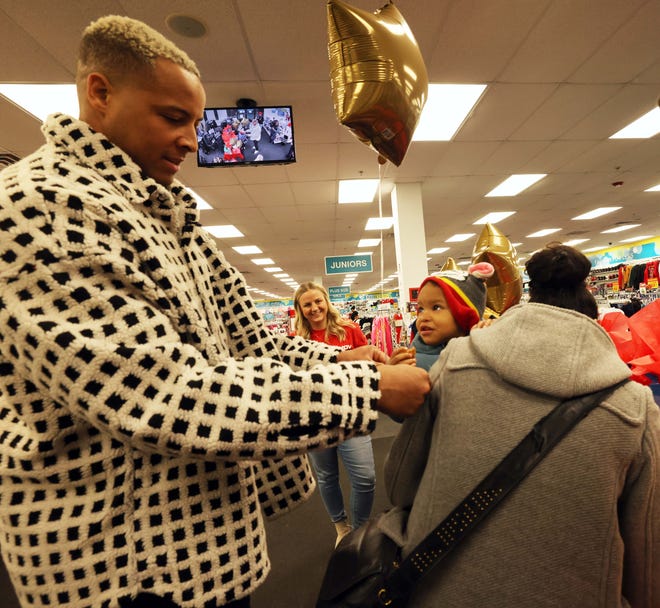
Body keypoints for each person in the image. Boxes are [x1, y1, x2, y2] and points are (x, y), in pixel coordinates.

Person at [0, 15, 431, 608]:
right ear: (99, 93)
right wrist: (366, 388)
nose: (189, 140)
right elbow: (162, 395)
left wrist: (347, 359)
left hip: (201, 549)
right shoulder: (45, 206)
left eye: (195, 123)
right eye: (172, 117)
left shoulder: (169, 216)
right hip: (122, 566)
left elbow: (257, 345)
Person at [382, 243, 660, 607]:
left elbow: (400, 486)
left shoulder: (453, 364)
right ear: (594, 320)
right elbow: (647, 562)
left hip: (437, 589)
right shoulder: (635, 410)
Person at [293, 282, 377, 546]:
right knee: (327, 476)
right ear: (300, 309)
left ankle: (360, 529)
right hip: (317, 419)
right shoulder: (297, 342)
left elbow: (368, 363)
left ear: (326, 301)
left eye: (318, 301)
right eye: (307, 304)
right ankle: (341, 527)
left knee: (365, 478)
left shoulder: (349, 330)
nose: (314, 308)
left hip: (352, 413)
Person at [388, 262, 495, 370]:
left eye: (436, 308)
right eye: (421, 309)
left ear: (466, 316)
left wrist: (491, 338)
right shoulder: (409, 360)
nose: (422, 317)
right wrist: (392, 373)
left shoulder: (483, 353)